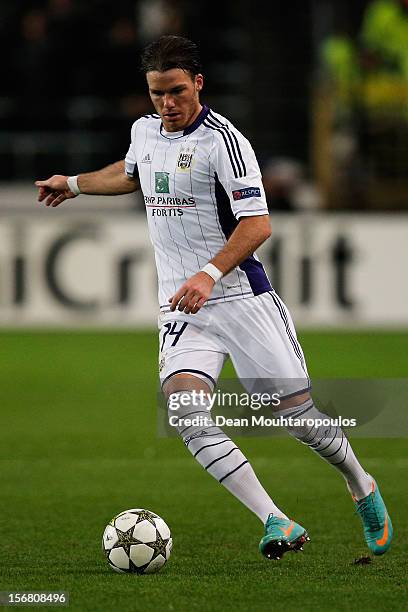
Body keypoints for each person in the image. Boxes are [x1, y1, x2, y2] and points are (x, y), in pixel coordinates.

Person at [35, 35, 392, 560]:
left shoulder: (225, 141)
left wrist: (207, 274)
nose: (167, 104)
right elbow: (130, 173)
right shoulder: (145, 131)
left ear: (198, 83)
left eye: (177, 92)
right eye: (157, 94)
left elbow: (258, 223)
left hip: (241, 298)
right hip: (182, 309)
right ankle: (276, 521)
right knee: (185, 413)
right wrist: (76, 183)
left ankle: (361, 484)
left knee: (297, 419)